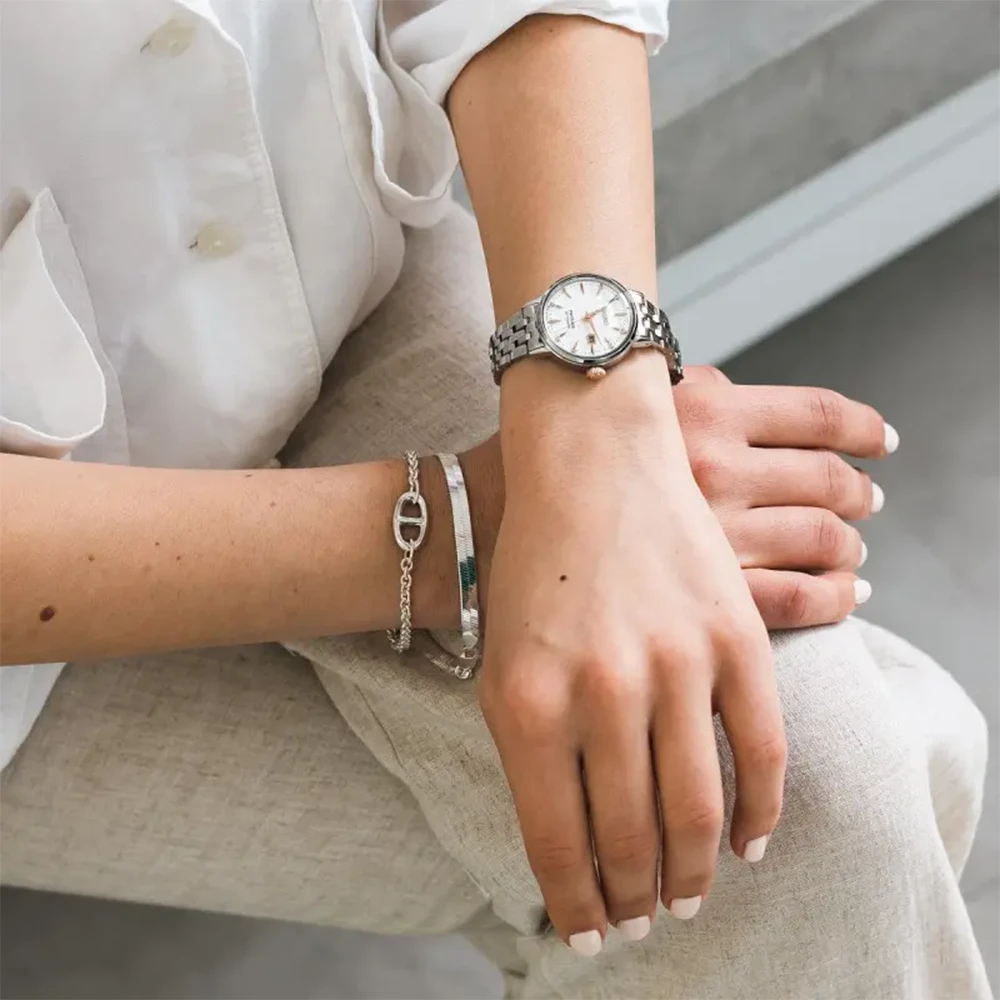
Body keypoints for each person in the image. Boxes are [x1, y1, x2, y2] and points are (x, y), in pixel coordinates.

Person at [0, 2, 989, 997]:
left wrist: (601, 433)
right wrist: (468, 525)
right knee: (808, 804)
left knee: (797, 796)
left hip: (320, 257)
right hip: (32, 626)